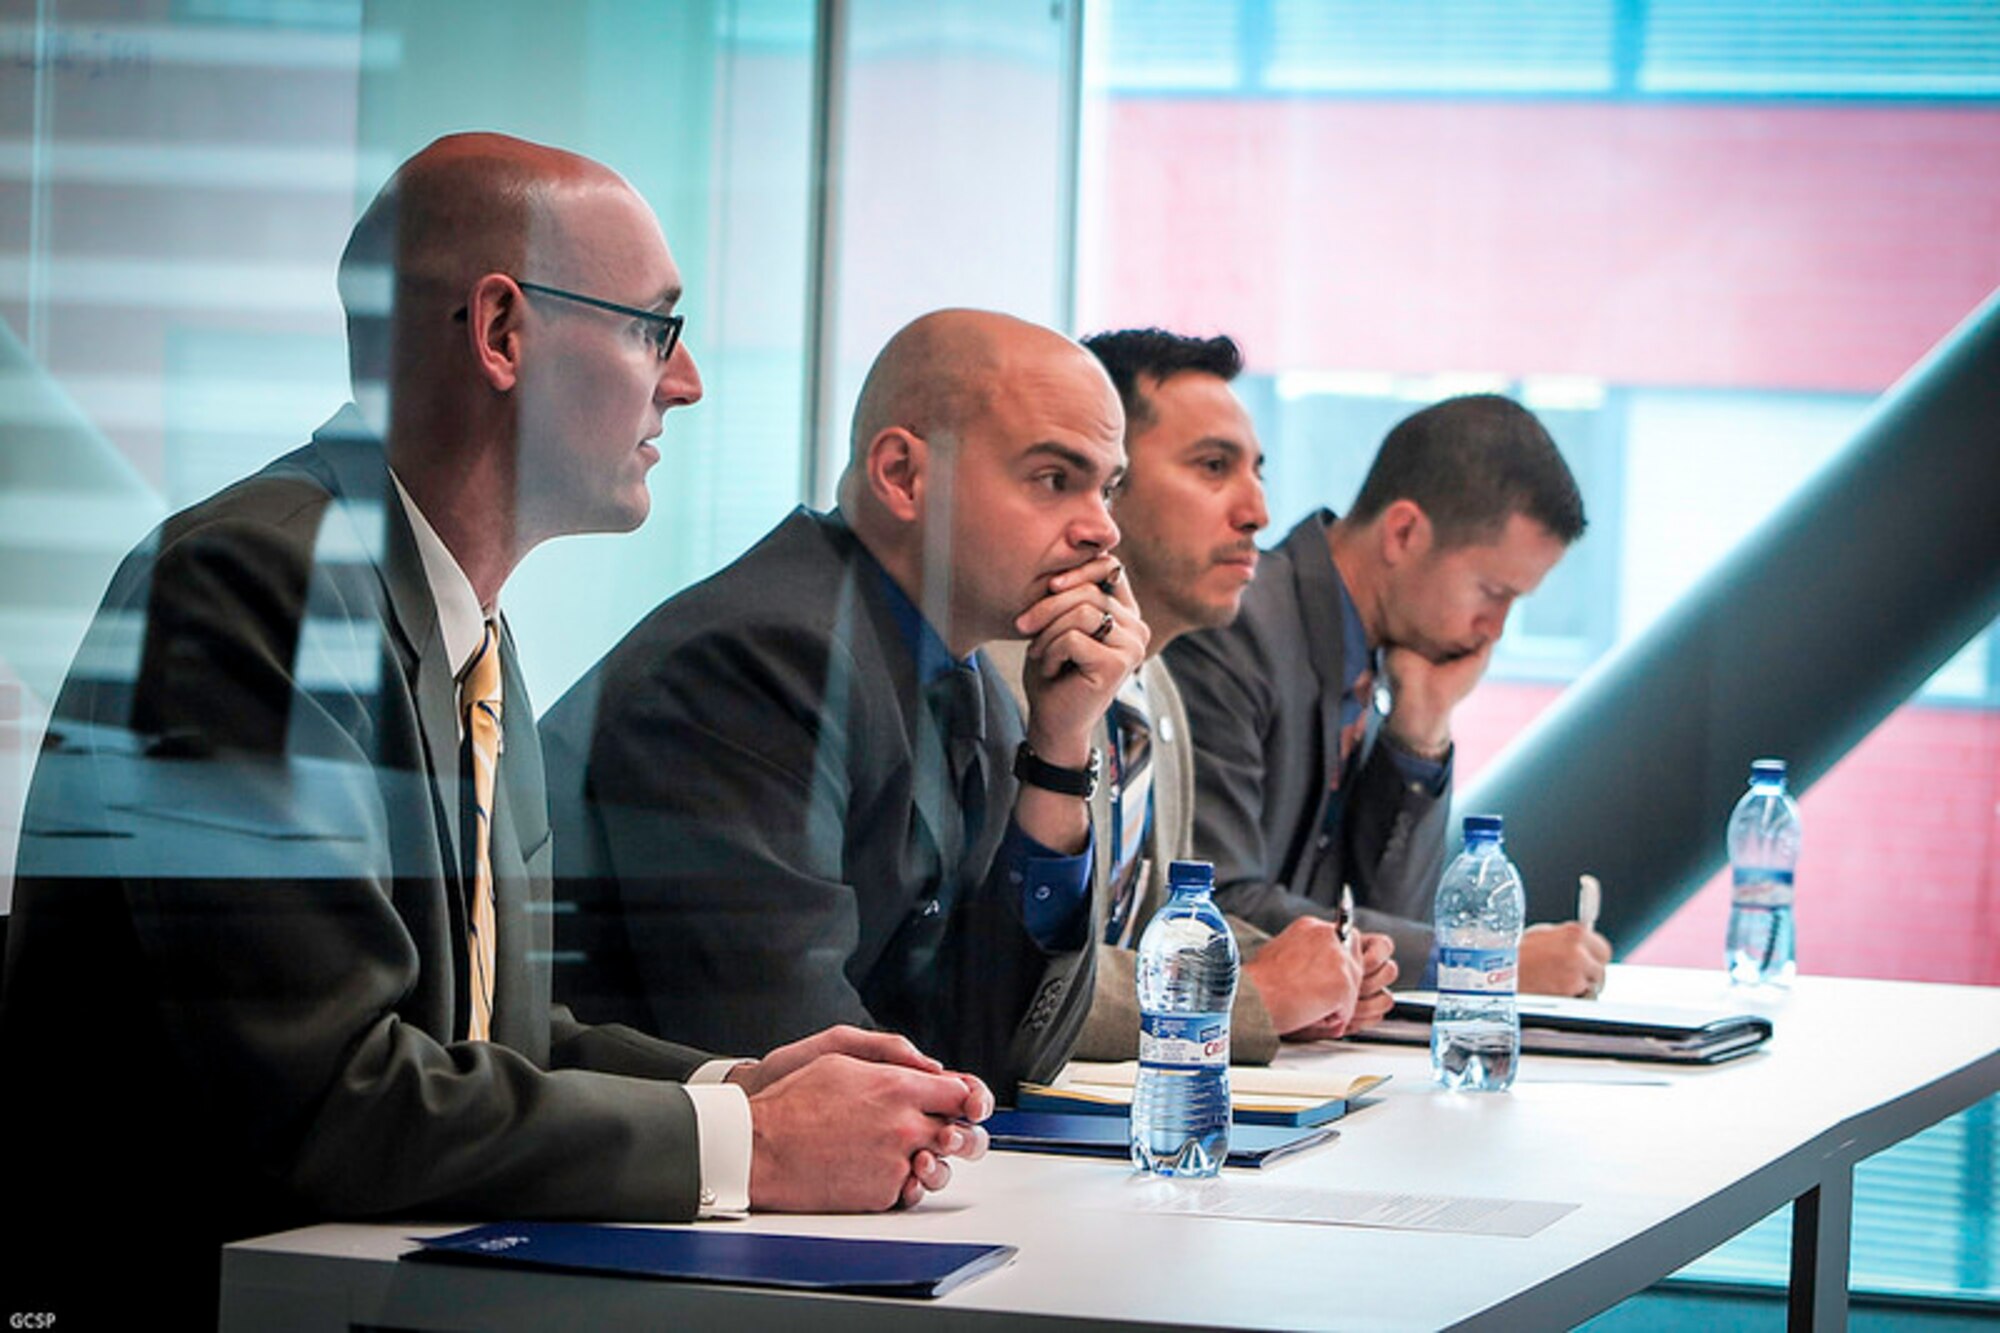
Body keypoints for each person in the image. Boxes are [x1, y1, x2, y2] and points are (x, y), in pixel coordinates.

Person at [0, 134, 988, 1325]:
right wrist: (754, 1142)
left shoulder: (455, 612)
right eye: (652, 330)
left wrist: (735, 1078)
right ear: (502, 333)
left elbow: (493, 1038)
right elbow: (330, 1098)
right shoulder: (256, 582)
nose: (684, 383)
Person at [541, 308, 1146, 1092]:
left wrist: (1061, 752)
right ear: (901, 475)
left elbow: (1009, 1053)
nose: (1102, 530)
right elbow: (801, 1062)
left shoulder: (977, 688)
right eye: (1055, 480)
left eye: (1109, 488)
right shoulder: (759, 660)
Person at [991, 328, 1398, 1063]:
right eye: (1214, 467)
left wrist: (1314, 961)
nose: (1258, 512)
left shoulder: (1159, 689)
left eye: (1257, 472)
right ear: (1108, 480)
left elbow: (1142, 932)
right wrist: (1251, 994)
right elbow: (1013, 975)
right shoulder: (1003, 679)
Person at [1164, 393, 1612, 995]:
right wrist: (1475, 962)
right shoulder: (1236, 624)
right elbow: (1219, 903)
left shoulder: (1377, 657)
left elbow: (1391, 916)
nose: (1496, 629)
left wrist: (1420, 729)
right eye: (1491, 591)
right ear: (1403, 532)